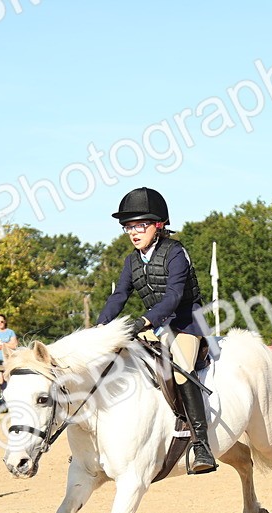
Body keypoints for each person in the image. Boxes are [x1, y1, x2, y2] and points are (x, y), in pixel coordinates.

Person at [97, 186, 216, 474]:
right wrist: (100, 328)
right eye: (129, 227)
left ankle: (201, 445)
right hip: (156, 325)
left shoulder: (176, 253)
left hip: (187, 322)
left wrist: (144, 321)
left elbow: (174, 296)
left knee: (181, 368)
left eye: (140, 225)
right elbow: (119, 295)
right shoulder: (132, 261)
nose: (133, 232)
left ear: (158, 225)